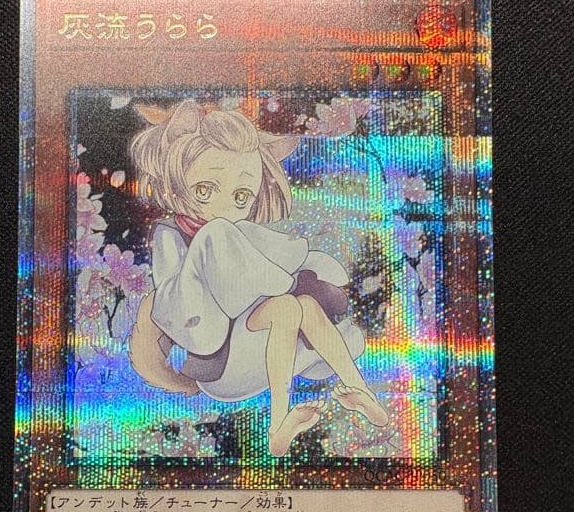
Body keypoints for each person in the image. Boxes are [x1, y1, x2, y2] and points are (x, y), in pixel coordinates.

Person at [128, 99, 391, 456]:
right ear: (175, 184)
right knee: (223, 241)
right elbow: (176, 305)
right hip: (218, 361)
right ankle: (284, 292)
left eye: (241, 197)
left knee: (300, 307)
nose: (224, 206)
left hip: (257, 346)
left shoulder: (241, 233)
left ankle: (338, 399)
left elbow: (290, 259)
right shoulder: (172, 236)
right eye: (205, 190)